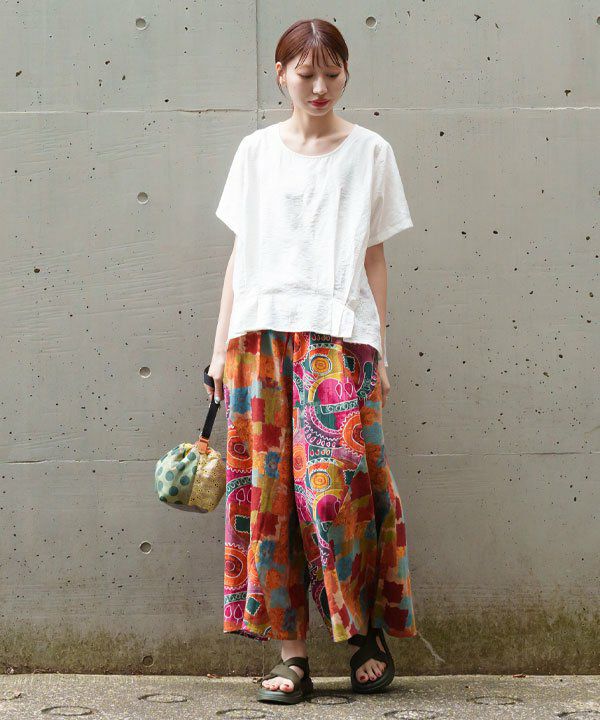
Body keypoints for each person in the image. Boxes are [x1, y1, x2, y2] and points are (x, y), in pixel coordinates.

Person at [205, 17, 417, 705]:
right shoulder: (255, 153)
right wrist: (219, 349)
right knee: (268, 500)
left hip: (335, 340)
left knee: (334, 493)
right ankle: (291, 656)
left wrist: (377, 346)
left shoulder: (372, 152)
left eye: (332, 73)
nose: (320, 86)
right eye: (306, 74)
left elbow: (375, 258)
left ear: (346, 73)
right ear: (281, 75)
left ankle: (364, 633)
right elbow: (241, 254)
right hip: (260, 339)